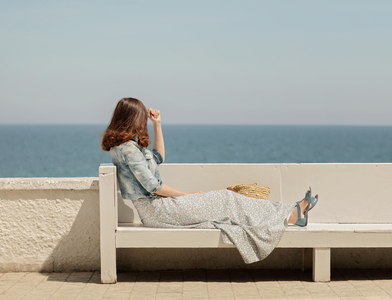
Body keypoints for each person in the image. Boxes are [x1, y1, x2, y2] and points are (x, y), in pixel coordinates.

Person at [102, 97, 318, 264]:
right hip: (156, 210)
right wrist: (187, 195)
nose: (143, 122)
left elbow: (159, 158)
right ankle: (290, 214)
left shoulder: (128, 146)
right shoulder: (127, 149)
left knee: (227, 200)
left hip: (158, 208)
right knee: (226, 199)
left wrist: (158, 124)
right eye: (141, 118)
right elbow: (152, 186)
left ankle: (290, 212)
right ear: (132, 119)